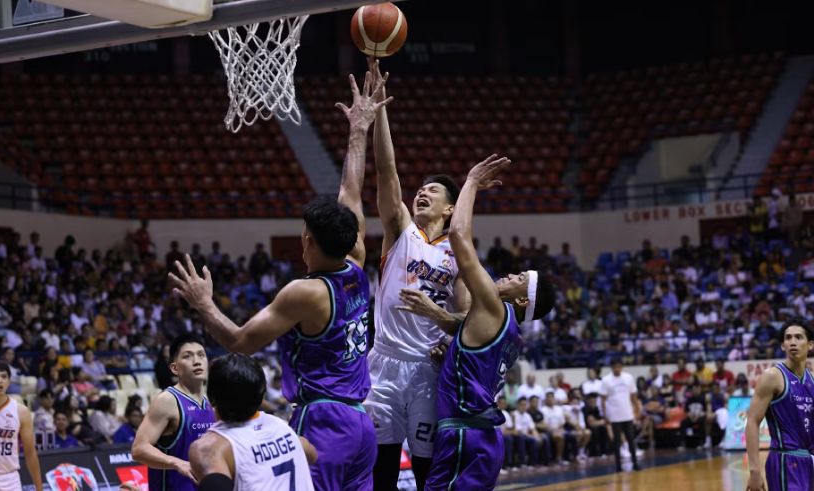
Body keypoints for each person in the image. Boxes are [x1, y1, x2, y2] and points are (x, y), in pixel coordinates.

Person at [171, 70, 390, 491]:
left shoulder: (305, 292)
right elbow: (351, 190)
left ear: (307, 240)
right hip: (362, 422)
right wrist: (357, 131)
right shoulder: (358, 264)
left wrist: (202, 303)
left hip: (324, 418)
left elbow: (239, 342)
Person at [363, 58, 472, 489]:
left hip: (427, 371)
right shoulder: (400, 231)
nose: (421, 191)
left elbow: (465, 321)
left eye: (434, 191)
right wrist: (380, 112)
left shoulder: (459, 256)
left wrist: (441, 326)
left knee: (428, 472)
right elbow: (387, 171)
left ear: (450, 208)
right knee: (382, 469)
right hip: (383, 365)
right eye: (420, 189)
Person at [415, 157, 555, 489]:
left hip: (465, 435)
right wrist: (449, 353)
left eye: (518, 278)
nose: (508, 275)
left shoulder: (494, 308)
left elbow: (460, 238)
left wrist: (471, 182)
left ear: (522, 300)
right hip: (481, 436)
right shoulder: (509, 332)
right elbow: (469, 338)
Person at [189, 353, 317, 491]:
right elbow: (312, 454)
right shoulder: (280, 426)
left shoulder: (209, 448)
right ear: (261, 395)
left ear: (211, 397)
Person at [746, 320, 814, 491]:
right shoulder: (772, 377)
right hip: (783, 460)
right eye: (788, 338)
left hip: (807, 461)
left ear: (810, 345)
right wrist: (755, 470)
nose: (793, 342)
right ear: (783, 346)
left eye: (798, 337)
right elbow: (753, 421)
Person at [132, 334, 214, 491]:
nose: (197, 361)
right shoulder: (167, 400)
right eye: (187, 356)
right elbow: (138, 449)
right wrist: (177, 463)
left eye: (201, 355)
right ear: (175, 368)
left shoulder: (209, 401)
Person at [0, 361, 43, 491]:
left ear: (9, 382)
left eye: (4, 377)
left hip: (10, 480)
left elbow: (30, 452)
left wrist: (39, 488)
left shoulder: (21, 411)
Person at [600, 358, 641, 473]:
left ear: (622, 367)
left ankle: (635, 463)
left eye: (619, 366)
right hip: (614, 415)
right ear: (612, 368)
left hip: (627, 413)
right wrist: (604, 414)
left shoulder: (628, 378)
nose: (617, 369)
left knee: (630, 439)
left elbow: (633, 395)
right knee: (617, 441)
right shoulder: (606, 380)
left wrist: (637, 409)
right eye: (615, 367)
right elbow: (602, 399)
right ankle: (618, 465)